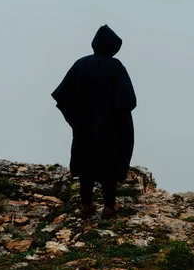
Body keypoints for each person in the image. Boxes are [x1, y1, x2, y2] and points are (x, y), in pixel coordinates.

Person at [52, 24, 136, 218]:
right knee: (109, 164)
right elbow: (128, 101)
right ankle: (109, 206)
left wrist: (77, 119)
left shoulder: (81, 64)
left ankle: (86, 204)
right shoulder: (116, 66)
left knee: (86, 163)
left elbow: (63, 96)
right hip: (110, 127)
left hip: (85, 126)